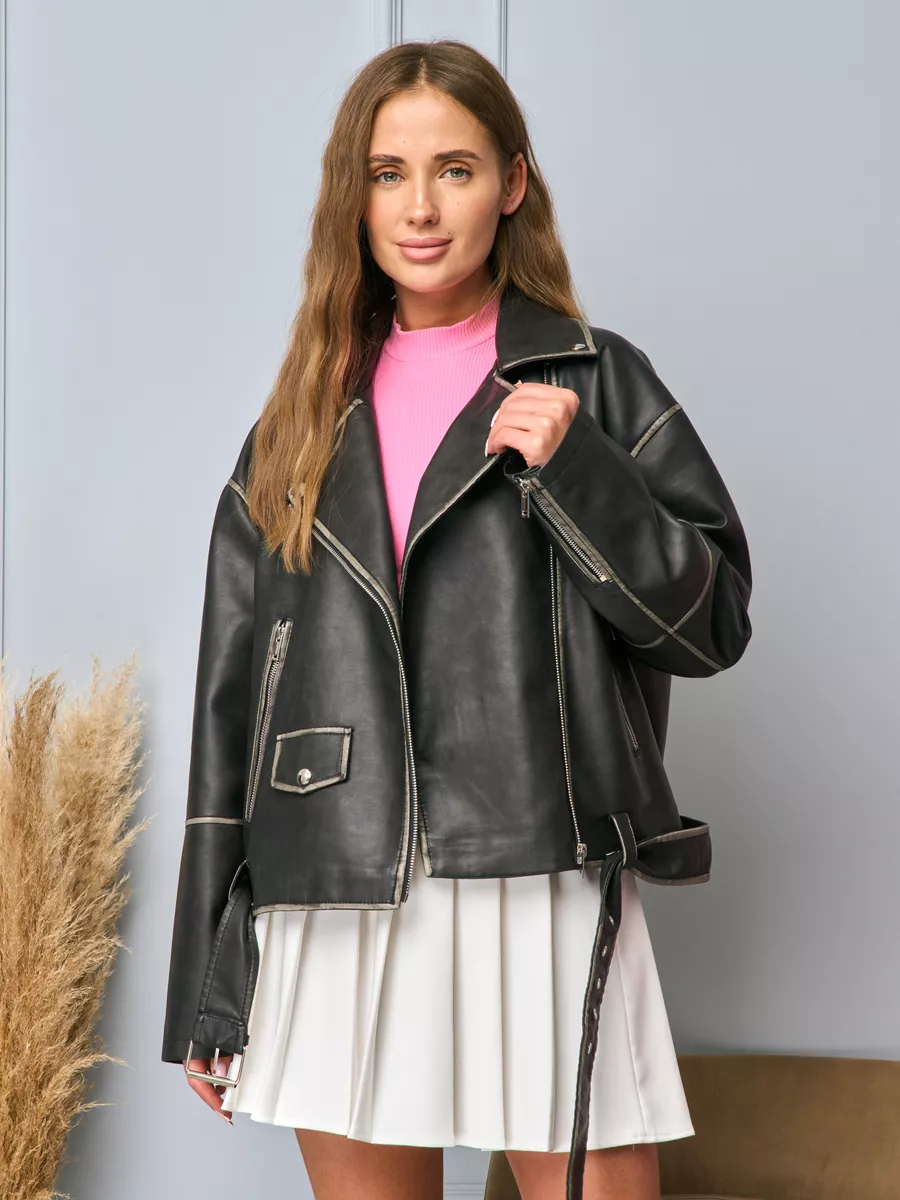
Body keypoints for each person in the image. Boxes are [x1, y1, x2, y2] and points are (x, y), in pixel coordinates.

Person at [160, 39, 752, 1200]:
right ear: (354, 194)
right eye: (388, 173)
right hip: (333, 886)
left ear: (513, 182)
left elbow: (711, 625)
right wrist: (204, 985)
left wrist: (580, 473)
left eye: (456, 169)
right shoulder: (297, 420)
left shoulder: (596, 379)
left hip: (539, 865)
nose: (420, 208)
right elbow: (230, 710)